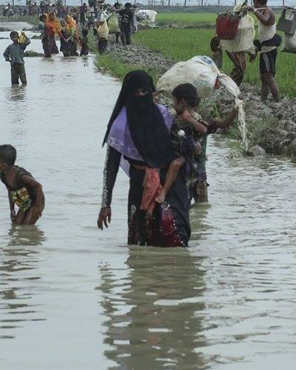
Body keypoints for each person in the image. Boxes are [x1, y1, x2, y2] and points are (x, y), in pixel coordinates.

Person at [98, 71, 189, 247]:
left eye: (144, 92)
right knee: (140, 242)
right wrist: (105, 204)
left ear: (151, 92)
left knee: (176, 237)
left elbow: (184, 147)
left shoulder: (165, 116)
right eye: (136, 93)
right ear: (127, 94)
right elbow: (111, 166)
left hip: (170, 183)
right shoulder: (120, 125)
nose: (140, 96)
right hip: (139, 184)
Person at [170, 83, 239, 203]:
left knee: (192, 207)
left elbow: (222, 124)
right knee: (199, 210)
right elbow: (223, 124)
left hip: (192, 175)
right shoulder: (174, 119)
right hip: (183, 174)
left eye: (174, 101)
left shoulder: (197, 121)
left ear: (182, 102)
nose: (172, 104)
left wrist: (236, 108)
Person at [0, 144, 45, 225]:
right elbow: (10, 192)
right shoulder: (3, 175)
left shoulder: (21, 176)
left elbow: (38, 186)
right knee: (17, 225)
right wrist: (12, 210)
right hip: (25, 202)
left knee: (26, 227)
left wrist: (37, 208)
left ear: (3, 165)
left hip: (36, 201)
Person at [245, 0, 281, 102]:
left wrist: (253, 10)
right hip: (265, 49)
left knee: (269, 78)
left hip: (268, 51)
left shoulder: (268, 11)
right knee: (264, 78)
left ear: (256, 1)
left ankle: (278, 102)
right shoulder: (263, 10)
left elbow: (265, 20)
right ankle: (263, 101)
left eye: (253, 1)